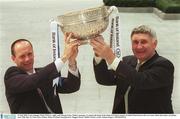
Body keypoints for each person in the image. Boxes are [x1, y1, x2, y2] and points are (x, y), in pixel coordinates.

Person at [90, 25, 174, 113]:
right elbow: (104, 79)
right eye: (135, 42)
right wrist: (98, 54)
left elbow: (140, 80)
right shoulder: (127, 61)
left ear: (154, 44)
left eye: (144, 42)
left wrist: (111, 58)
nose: (139, 46)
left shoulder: (164, 66)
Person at [4, 33, 81, 113]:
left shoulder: (44, 75)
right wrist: (64, 57)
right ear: (13, 58)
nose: (27, 59)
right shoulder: (11, 76)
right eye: (22, 56)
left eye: (29, 54)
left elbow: (72, 86)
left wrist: (72, 61)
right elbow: (33, 81)